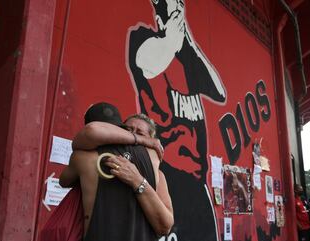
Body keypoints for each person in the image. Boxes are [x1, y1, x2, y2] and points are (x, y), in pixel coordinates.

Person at [126, 0, 226, 239]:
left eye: (182, 11)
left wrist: (189, 40)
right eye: (174, 14)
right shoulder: (143, 38)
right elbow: (148, 64)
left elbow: (219, 91)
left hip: (197, 182)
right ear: (161, 21)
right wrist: (174, 37)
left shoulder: (188, 62)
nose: (181, 18)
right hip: (165, 175)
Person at [60, 103, 173, 241]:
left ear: (151, 140)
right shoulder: (89, 158)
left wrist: (138, 180)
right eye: (128, 130)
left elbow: (165, 226)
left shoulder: (157, 173)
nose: (132, 135)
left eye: (140, 133)